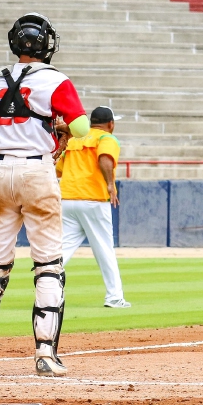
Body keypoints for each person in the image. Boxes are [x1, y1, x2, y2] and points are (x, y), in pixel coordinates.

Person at [0, 13, 89, 377]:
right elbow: (80, 127)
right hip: (37, 170)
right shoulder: (57, 81)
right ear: (46, 44)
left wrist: (8, 146)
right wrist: (58, 128)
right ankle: (45, 355)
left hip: (0, 171)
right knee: (48, 265)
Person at [55, 106, 130, 308]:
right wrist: (109, 185)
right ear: (110, 124)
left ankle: (48, 288)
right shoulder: (106, 139)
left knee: (62, 248)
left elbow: (59, 169)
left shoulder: (75, 140)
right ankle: (114, 297)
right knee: (104, 249)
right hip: (94, 200)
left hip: (68, 198)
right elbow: (104, 158)